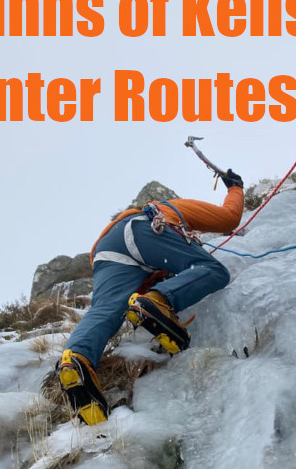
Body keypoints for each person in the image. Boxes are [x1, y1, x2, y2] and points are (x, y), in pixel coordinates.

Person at [57, 169, 244, 425]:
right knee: (213, 271)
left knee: (107, 310)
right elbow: (228, 219)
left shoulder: (115, 235)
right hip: (145, 228)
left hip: (105, 251)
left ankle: (76, 359)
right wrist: (235, 188)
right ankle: (159, 301)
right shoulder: (171, 207)